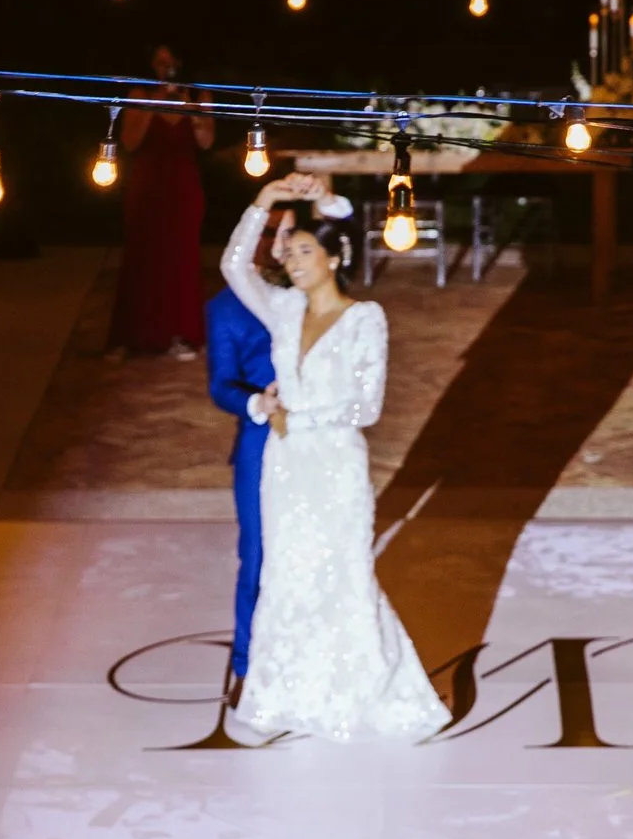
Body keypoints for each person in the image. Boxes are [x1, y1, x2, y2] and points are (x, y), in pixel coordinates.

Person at [217, 175, 446, 743]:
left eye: (303, 250)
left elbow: (365, 407)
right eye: (288, 251)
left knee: (343, 576)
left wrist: (299, 416)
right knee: (286, 577)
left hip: (336, 465)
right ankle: (276, 702)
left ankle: (382, 697)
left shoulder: (366, 318)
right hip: (285, 465)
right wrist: (265, 201)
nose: (291, 261)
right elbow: (232, 267)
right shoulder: (284, 309)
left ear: (334, 255)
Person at [205, 203, 294, 698]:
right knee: (258, 555)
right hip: (262, 440)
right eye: (270, 233)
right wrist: (258, 401)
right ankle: (247, 665)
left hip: (318, 442)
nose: (277, 245)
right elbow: (220, 385)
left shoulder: (313, 295)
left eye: (287, 234)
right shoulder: (225, 307)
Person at [109, 45, 216, 359]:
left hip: (183, 185)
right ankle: (132, 336)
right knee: (143, 255)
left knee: (182, 257)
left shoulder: (199, 96)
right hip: (148, 184)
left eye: (171, 62)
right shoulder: (139, 94)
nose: (165, 68)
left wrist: (190, 111)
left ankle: (181, 335)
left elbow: (206, 142)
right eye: (159, 62)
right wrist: (153, 105)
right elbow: (129, 142)